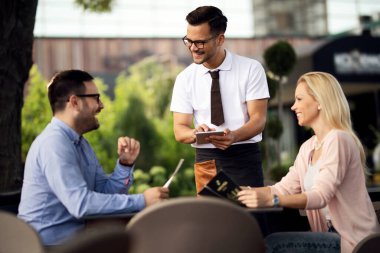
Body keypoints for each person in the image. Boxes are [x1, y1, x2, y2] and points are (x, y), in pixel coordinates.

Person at [18, 70, 169, 246]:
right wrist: (142, 200)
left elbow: (103, 194)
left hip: (74, 243)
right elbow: (81, 204)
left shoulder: (81, 143)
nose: (102, 105)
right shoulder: (53, 143)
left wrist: (124, 165)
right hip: (45, 247)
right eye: (96, 98)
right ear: (75, 102)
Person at [237, 72, 380, 253]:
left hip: (352, 240)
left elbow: (321, 196)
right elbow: (283, 188)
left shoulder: (339, 139)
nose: (293, 106)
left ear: (320, 101)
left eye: (299, 99)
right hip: (329, 236)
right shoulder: (309, 147)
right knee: (267, 239)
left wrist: (271, 200)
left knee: (275, 243)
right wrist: (243, 193)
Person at [170, 6, 269, 193]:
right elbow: (179, 130)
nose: (192, 47)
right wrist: (195, 133)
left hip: (244, 157)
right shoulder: (185, 78)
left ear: (220, 39)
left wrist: (235, 136)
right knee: (212, 220)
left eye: (199, 42)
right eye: (188, 41)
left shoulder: (251, 69)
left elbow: (259, 120)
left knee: (249, 219)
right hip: (206, 159)